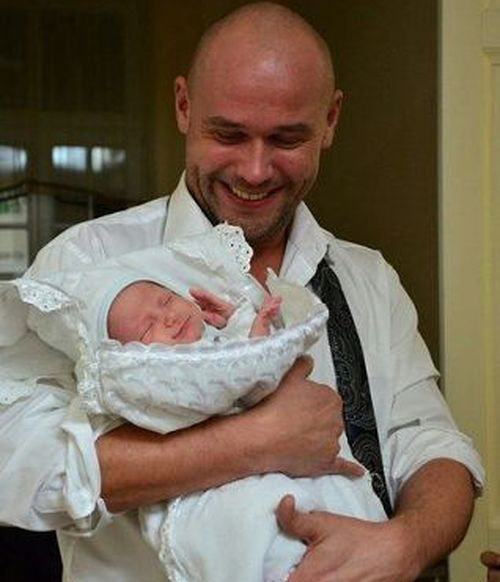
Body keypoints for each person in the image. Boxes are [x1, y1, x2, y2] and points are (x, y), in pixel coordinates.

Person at [0, 2, 484, 581]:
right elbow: (18, 462)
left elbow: (430, 444)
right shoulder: (87, 265)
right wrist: (255, 441)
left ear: (331, 120)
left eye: (287, 138)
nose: (255, 171)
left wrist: (406, 543)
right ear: (184, 106)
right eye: (228, 134)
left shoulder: (368, 278)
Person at [0, 224, 383, 582]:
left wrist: (244, 323)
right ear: (127, 356)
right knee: (250, 526)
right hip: (221, 503)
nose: (167, 318)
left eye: (167, 299)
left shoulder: (366, 273)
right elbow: (25, 469)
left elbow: (246, 369)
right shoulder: (145, 378)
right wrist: (264, 437)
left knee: (345, 502)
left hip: (323, 497)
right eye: (146, 328)